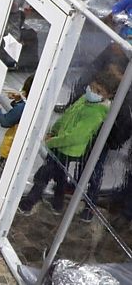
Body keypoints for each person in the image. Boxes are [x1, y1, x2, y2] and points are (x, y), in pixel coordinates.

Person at [19, 72, 121, 213]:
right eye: (91, 87)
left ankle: (28, 203)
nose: (92, 91)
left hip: (67, 149)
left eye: (98, 91)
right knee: (60, 176)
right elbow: (67, 115)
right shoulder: (85, 99)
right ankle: (58, 204)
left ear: (108, 95)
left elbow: (75, 137)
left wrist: (51, 142)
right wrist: (54, 130)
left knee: (43, 175)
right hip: (60, 144)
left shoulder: (96, 114)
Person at [0, 75, 34, 188]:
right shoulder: (31, 105)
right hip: (21, 150)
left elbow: (6, 121)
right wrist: (18, 100)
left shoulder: (23, 107)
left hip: (11, 150)